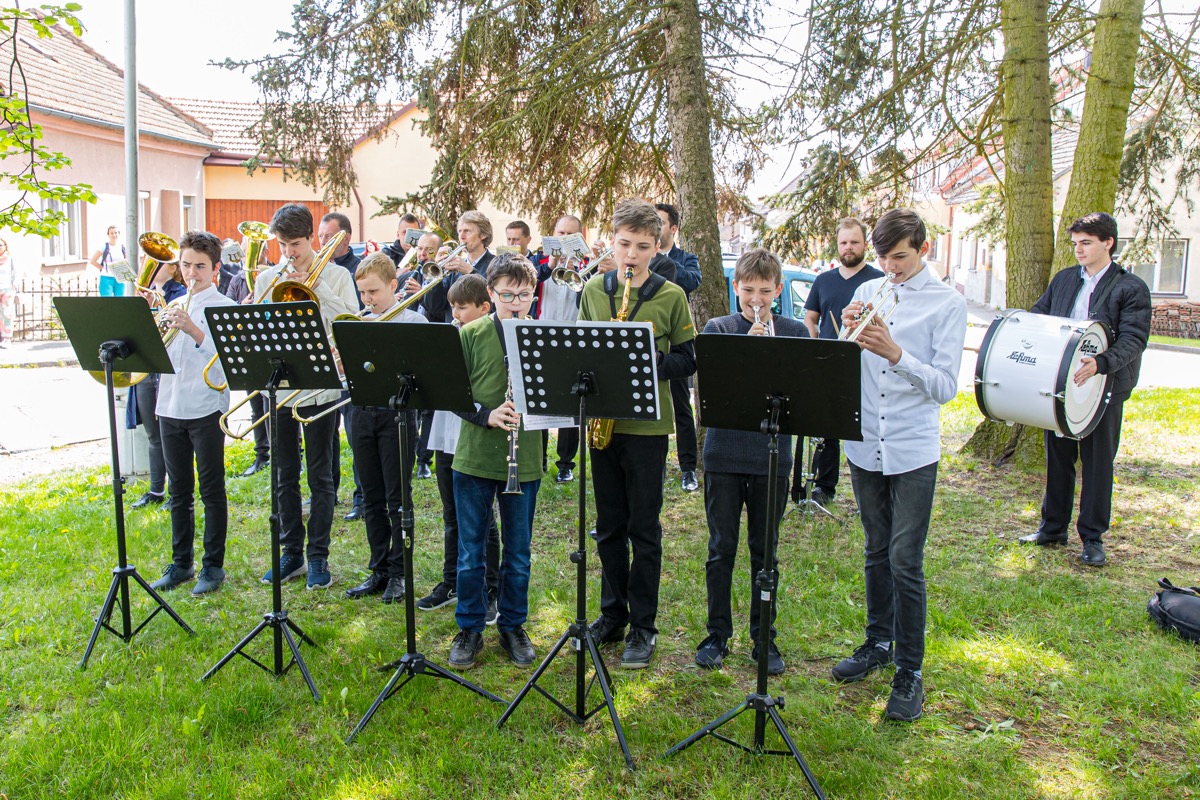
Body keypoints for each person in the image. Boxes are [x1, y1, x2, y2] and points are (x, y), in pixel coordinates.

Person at [829, 208, 966, 723]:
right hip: (866, 442)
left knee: (905, 559)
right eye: (884, 257)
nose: (891, 267)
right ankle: (877, 642)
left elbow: (945, 386)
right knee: (875, 548)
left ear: (923, 249)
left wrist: (895, 353)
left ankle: (910, 669)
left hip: (912, 448)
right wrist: (847, 334)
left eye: (901, 257)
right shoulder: (869, 291)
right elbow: (843, 364)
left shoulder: (947, 303)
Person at [578, 198, 696, 669]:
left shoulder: (672, 295)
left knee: (643, 528)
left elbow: (688, 359)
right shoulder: (594, 290)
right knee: (609, 526)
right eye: (624, 244)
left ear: (657, 247)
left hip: (648, 427)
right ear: (612, 241)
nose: (631, 255)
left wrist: (650, 360)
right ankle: (613, 614)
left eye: (643, 247)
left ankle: (644, 626)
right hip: (604, 423)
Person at [694, 248, 808, 675]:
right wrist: (746, 350)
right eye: (748, 291)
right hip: (723, 455)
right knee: (721, 548)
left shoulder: (795, 332)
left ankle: (764, 637)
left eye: (765, 291)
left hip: (771, 459)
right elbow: (712, 388)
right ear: (736, 288)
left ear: (778, 290)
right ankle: (717, 634)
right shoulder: (719, 328)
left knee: (765, 552)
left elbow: (803, 394)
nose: (756, 300)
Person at [1019, 212, 1151, 566]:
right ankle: (1052, 529)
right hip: (1060, 385)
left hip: (1105, 386)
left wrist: (1101, 363)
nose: (1078, 250)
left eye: (1086, 243)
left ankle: (1092, 538)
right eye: (1075, 243)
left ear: (1108, 243)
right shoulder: (1064, 279)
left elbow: (1134, 339)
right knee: (1058, 458)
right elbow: (1040, 316)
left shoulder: (1131, 287)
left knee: (1097, 464)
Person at [254, 203, 358, 590]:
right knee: (283, 474)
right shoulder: (269, 277)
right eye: (283, 245)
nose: (289, 253)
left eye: (295, 244)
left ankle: (318, 555)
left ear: (311, 238)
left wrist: (318, 290)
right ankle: (291, 553)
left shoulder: (337, 275)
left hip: (321, 388)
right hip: (281, 388)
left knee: (320, 474)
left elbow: (350, 321)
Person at [447, 254, 544, 670]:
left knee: (518, 552)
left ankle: (512, 625)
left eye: (524, 295)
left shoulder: (543, 336)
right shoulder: (470, 333)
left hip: (526, 458)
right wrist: (486, 414)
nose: (516, 303)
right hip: (474, 458)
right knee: (471, 552)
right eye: (507, 295)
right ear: (490, 293)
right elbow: (452, 392)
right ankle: (469, 627)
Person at [146, 231, 237, 596]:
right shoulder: (171, 304)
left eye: (200, 266)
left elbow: (228, 363)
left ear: (215, 269)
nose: (191, 273)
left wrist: (194, 330)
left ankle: (213, 566)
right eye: (185, 265)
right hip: (170, 405)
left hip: (205, 408)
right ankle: (181, 563)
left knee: (211, 490)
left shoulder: (224, 307)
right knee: (179, 491)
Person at [415, 274, 502, 620]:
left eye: (462, 307)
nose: (455, 314)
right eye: (452, 307)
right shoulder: (452, 335)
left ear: (484, 307)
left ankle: (490, 588)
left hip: (475, 434)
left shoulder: (487, 338)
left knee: (484, 519)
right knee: (452, 515)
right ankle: (451, 581)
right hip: (447, 433)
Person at [342, 253, 427, 603]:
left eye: (374, 291)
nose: (368, 299)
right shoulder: (359, 322)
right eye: (362, 293)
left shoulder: (414, 322)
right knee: (371, 496)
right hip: (361, 414)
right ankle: (378, 568)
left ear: (393, 285)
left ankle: (399, 572)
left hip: (398, 417)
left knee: (397, 497)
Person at [797, 218, 885, 505]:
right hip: (829, 363)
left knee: (868, 425)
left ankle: (872, 491)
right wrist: (814, 347)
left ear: (865, 245)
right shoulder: (823, 280)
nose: (848, 247)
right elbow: (811, 318)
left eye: (854, 242)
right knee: (828, 427)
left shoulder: (877, 281)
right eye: (843, 242)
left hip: (867, 364)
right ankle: (824, 487)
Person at [128, 258, 188, 510]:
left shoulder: (180, 294)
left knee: (171, 436)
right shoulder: (147, 296)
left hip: (167, 372)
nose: (151, 267)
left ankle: (177, 492)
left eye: (159, 263)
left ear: (173, 268)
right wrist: (141, 310)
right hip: (147, 370)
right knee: (153, 434)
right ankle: (156, 489)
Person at [533, 214, 587, 484]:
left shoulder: (586, 265)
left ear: (579, 238)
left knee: (571, 403)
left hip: (573, 337)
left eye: (570, 235)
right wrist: (551, 264)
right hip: (541, 335)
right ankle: (539, 457)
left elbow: (586, 298)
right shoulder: (538, 261)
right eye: (560, 233)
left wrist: (579, 269)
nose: (564, 239)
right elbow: (529, 283)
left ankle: (566, 463)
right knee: (540, 400)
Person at [319, 212, 366, 521]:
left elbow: (356, 315)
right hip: (325, 361)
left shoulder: (357, 268)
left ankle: (361, 498)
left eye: (328, 237)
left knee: (355, 431)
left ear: (344, 238)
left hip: (348, 361)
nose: (322, 242)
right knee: (326, 434)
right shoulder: (315, 267)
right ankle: (328, 490)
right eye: (320, 236)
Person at [655, 202, 702, 493]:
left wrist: (662, 260)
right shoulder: (641, 258)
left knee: (682, 405)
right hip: (651, 339)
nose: (655, 226)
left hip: (677, 341)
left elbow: (692, 281)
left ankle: (688, 469)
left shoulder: (686, 259)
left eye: (660, 222)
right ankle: (654, 466)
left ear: (673, 228)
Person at [414, 210, 495, 324]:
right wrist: (436, 274)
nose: (461, 236)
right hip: (454, 329)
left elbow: (494, 304)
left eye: (467, 231)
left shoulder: (495, 265)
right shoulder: (453, 266)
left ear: (483, 235)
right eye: (459, 231)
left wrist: (471, 272)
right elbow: (435, 307)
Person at [89, 225, 127, 297]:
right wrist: (103, 268)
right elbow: (93, 261)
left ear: (119, 234)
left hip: (120, 278)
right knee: (107, 301)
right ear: (108, 235)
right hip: (106, 277)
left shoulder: (123, 247)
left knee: (120, 301)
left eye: (116, 233)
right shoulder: (104, 246)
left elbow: (127, 261)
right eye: (111, 233)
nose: (114, 235)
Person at [0, 239, 17, 347]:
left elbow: (15, 272)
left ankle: (7, 338)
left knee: (6, 314)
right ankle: (1, 337)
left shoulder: (10, 258)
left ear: (5, 246)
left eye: (0, 245)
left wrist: (14, 286)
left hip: (7, 289)